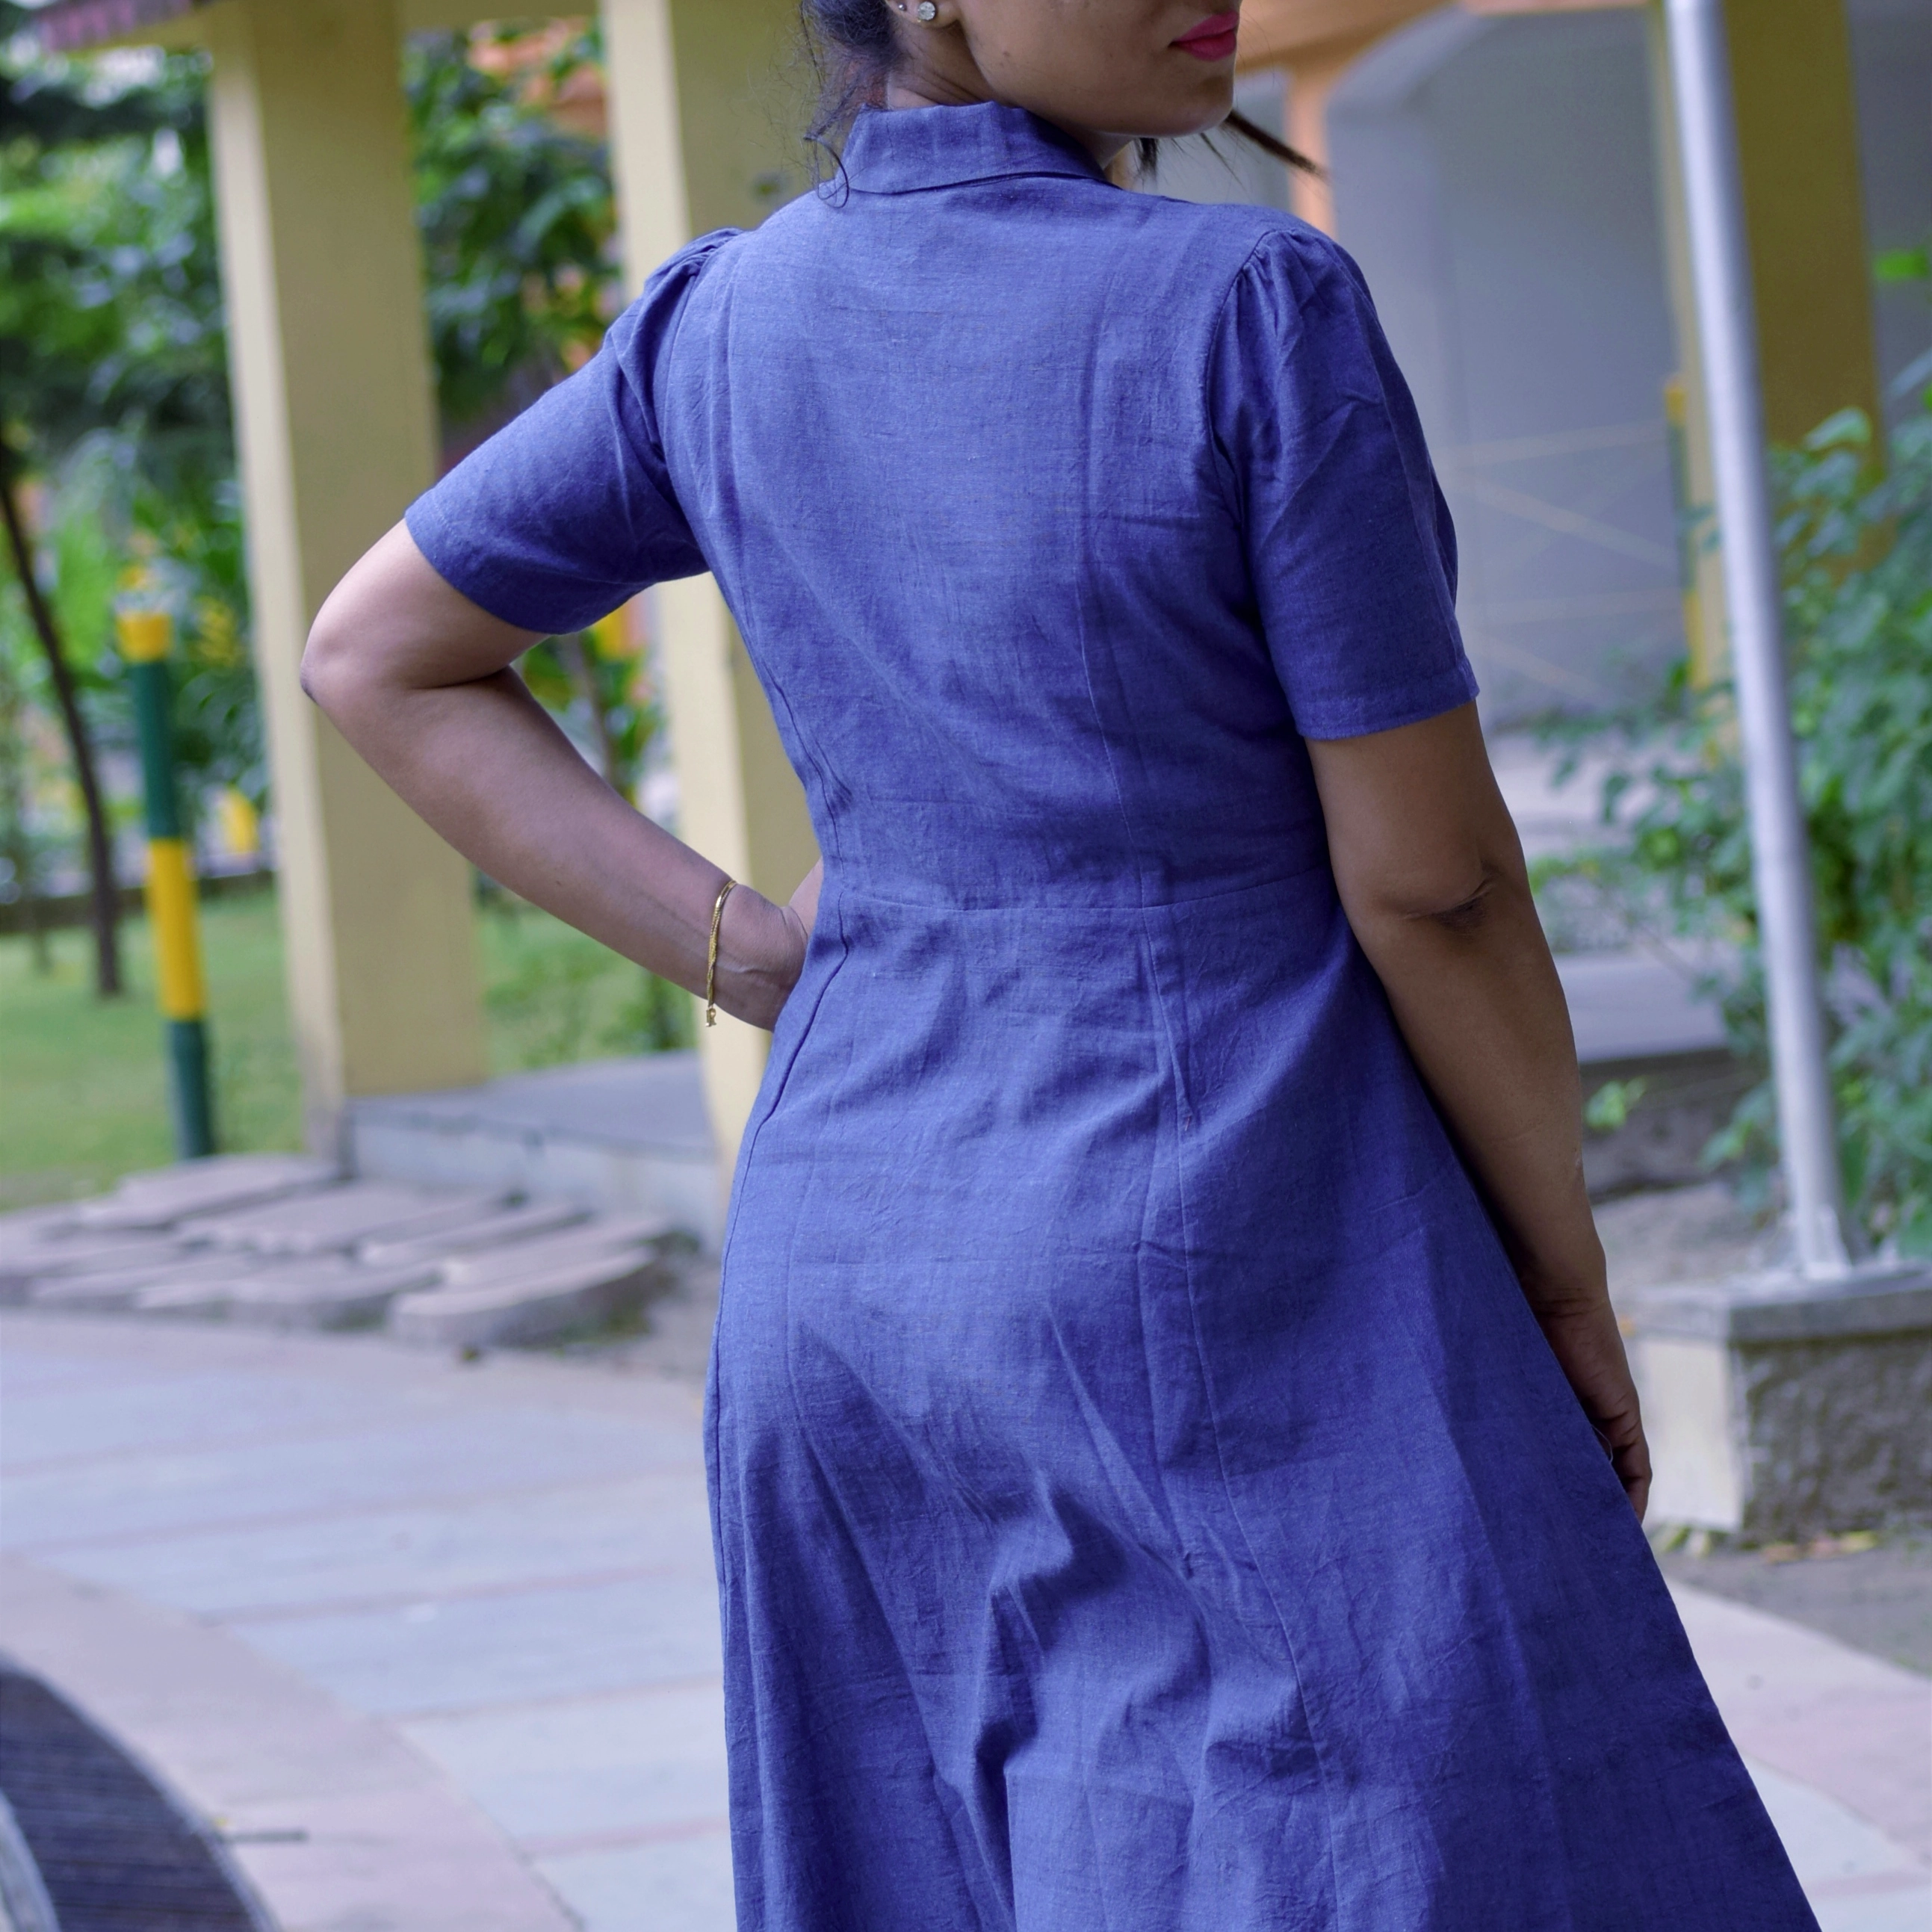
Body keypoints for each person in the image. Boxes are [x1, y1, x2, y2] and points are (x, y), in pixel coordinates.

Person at [305, 4, 1816, 1925]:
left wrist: (758, 960)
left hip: (855, 1268)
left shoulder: (722, 325)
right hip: (1249, 1248)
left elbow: (375, 653)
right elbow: (1434, 886)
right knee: (1416, 1839)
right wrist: (1567, 1277)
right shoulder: (1251, 310)